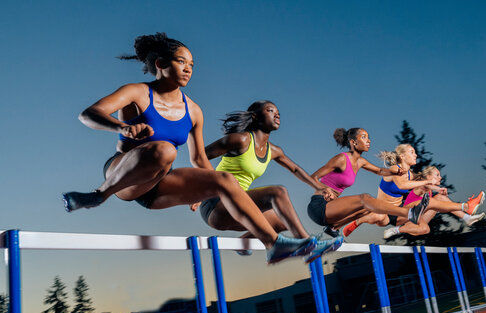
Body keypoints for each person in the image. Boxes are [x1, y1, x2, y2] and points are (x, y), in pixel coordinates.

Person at [62, 33, 318, 264]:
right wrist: (121, 127)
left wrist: (209, 189)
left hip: (158, 185)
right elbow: (88, 114)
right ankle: (97, 195)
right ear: (161, 64)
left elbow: (199, 159)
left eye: (192, 65)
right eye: (182, 62)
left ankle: (273, 245)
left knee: (224, 179)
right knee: (164, 150)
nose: (188, 69)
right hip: (123, 176)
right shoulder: (137, 92)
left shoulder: (193, 110)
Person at [201, 101, 343, 263]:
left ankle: (243, 242)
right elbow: (200, 156)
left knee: (282, 220)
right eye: (270, 111)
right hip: (216, 205)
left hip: (239, 206)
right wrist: (199, 191)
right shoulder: (240, 140)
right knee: (277, 193)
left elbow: (295, 169)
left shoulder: (273, 150)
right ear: (255, 117)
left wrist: (319, 186)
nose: (277, 114)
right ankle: (307, 244)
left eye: (278, 112)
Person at [307, 128, 431, 237]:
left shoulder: (360, 161)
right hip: (319, 207)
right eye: (364, 137)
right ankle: (409, 213)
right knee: (365, 198)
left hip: (333, 211)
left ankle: (333, 228)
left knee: (369, 208)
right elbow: (312, 177)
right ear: (353, 142)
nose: (369, 140)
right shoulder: (341, 159)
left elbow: (379, 171)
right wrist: (325, 189)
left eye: (368, 137)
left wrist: (394, 172)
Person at [342, 144, 485, 238]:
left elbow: (423, 185)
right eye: (412, 152)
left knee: (431, 211)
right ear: (402, 156)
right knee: (377, 218)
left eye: (415, 152)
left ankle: (466, 217)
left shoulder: (411, 174)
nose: (416, 155)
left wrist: (438, 188)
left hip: (401, 212)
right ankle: (357, 222)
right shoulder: (394, 169)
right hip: (385, 212)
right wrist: (429, 182)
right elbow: (403, 185)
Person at [379, 166, 486, 239]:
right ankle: (466, 206)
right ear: (429, 177)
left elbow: (434, 194)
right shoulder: (420, 186)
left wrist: (438, 191)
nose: (440, 177)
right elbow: (426, 185)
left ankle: (467, 218)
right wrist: (438, 189)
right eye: (437, 175)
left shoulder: (429, 191)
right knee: (432, 200)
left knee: (425, 228)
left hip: (414, 220)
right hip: (402, 215)